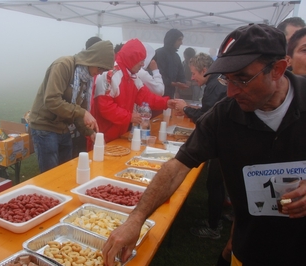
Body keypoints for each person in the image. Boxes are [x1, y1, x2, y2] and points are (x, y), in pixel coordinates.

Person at [102, 24, 306, 266]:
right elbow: (177, 167)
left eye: (241, 79)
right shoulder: (223, 116)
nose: (230, 92)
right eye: (226, 79)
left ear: (278, 70)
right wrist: (136, 219)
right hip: (249, 250)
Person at [29, 40, 114, 173]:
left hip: (63, 128)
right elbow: (51, 100)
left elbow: (76, 113)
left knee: (66, 172)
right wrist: (82, 112)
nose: (100, 72)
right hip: (45, 127)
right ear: (92, 59)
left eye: (103, 70)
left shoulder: (86, 79)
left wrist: (89, 132)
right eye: (100, 68)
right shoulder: (64, 65)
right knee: (51, 175)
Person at [173, 52, 227, 240]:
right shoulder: (216, 83)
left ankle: (213, 227)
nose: (192, 78)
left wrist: (185, 109)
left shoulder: (214, 87)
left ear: (205, 71)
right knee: (217, 183)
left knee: (214, 184)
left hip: (222, 143)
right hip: (224, 139)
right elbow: (208, 111)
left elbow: (206, 120)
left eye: (194, 73)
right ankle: (216, 218)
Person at [93, 38, 175, 143]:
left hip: (118, 133)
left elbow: (146, 97)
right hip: (102, 135)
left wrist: (166, 103)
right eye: (140, 60)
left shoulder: (132, 77)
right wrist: (129, 117)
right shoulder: (109, 75)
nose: (142, 64)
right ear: (132, 58)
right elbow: (105, 108)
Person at [155, 29, 188, 98]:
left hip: (170, 95)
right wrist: (174, 84)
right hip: (158, 94)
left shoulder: (176, 56)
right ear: (172, 40)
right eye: (179, 40)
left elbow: (181, 74)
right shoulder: (159, 54)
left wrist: (183, 82)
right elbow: (158, 74)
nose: (181, 43)